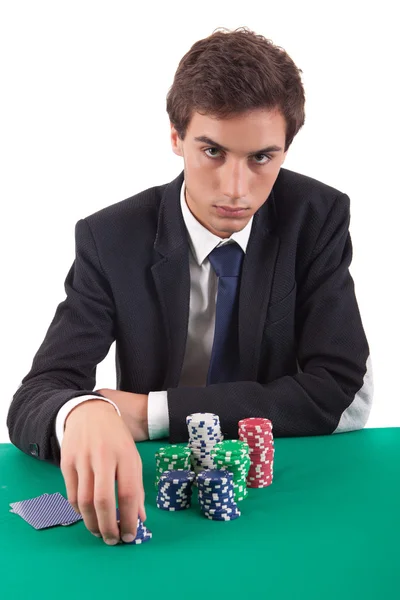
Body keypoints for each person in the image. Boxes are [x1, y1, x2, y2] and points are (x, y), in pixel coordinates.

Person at [7, 27, 373, 546]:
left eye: (262, 158)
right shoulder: (111, 238)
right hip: (160, 495)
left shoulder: (317, 219)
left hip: (277, 497)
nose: (235, 188)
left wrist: (148, 413)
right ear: (176, 137)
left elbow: (340, 391)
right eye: (213, 152)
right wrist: (82, 411)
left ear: (288, 149)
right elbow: (34, 398)